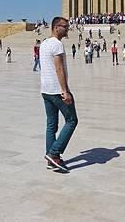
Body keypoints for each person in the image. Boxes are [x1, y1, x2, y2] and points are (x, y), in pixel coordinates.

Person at [40, 17, 78, 173]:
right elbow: (59, 69)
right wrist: (65, 90)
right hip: (57, 90)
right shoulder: (57, 45)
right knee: (72, 120)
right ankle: (54, 153)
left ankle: (51, 160)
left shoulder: (44, 43)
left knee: (51, 126)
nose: (67, 29)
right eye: (65, 26)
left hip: (45, 90)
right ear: (56, 27)